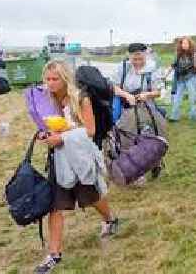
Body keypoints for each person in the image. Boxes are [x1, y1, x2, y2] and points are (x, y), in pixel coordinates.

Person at [34, 61, 118, 274]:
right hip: (58, 159)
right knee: (54, 205)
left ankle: (110, 219)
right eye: (48, 79)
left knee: (90, 196)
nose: (51, 83)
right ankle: (54, 254)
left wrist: (62, 137)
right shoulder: (47, 100)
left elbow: (90, 130)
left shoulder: (81, 98)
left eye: (55, 79)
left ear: (65, 78)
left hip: (78, 157)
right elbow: (48, 125)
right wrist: (46, 134)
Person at [113, 43, 167, 181]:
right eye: (134, 59)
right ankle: (133, 170)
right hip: (128, 108)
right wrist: (126, 95)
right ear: (129, 57)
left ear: (145, 56)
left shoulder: (153, 68)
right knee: (128, 137)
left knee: (150, 136)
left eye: (140, 59)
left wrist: (146, 95)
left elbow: (159, 91)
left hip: (147, 109)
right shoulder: (123, 67)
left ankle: (155, 163)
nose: (137, 62)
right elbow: (114, 87)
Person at [171, 37, 196, 122]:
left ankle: (194, 116)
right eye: (183, 43)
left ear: (189, 44)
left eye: (186, 43)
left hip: (191, 78)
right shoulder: (178, 54)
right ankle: (174, 116)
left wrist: (195, 57)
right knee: (177, 97)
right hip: (180, 79)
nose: (184, 45)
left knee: (193, 97)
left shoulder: (193, 54)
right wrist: (165, 76)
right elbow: (173, 65)